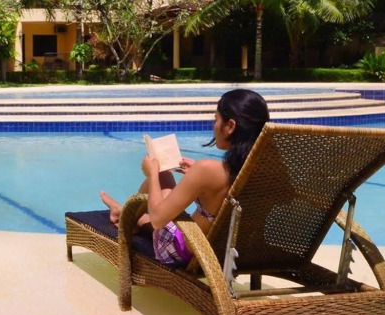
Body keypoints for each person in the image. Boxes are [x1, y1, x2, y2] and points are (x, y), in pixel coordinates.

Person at [99, 89, 270, 266]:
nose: (214, 125)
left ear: (230, 126)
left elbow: (157, 220)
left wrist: (152, 174)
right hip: (235, 253)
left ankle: (127, 219)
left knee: (163, 175)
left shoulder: (207, 170)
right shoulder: (265, 171)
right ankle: (124, 214)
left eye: (216, 119)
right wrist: (198, 176)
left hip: (186, 252)